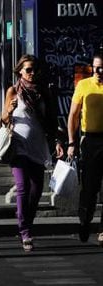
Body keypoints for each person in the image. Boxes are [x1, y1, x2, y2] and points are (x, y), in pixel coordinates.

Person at [2, 54, 64, 252]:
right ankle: (24, 231)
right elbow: (3, 119)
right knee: (22, 187)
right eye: (28, 69)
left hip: (37, 146)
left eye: (35, 69)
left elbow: (52, 121)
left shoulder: (44, 92)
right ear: (20, 70)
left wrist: (57, 141)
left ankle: (26, 223)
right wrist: (9, 111)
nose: (32, 73)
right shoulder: (13, 91)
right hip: (19, 146)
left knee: (36, 191)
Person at [67, 54, 103, 244]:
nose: (99, 72)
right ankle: (85, 221)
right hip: (90, 140)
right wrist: (71, 142)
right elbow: (73, 114)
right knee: (90, 187)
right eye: (96, 67)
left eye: (102, 68)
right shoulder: (84, 85)